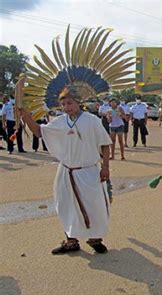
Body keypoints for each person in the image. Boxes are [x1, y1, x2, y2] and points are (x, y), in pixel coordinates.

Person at [20, 85, 112, 255]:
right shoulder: (60, 122)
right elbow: (40, 132)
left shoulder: (92, 120)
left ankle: (94, 239)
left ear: (78, 102)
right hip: (66, 172)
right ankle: (71, 241)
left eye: (69, 103)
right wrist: (26, 117)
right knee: (66, 206)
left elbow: (105, 144)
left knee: (94, 207)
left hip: (89, 172)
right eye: (63, 104)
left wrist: (105, 167)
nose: (66, 107)